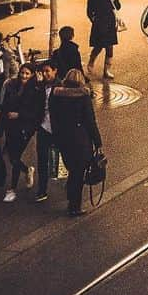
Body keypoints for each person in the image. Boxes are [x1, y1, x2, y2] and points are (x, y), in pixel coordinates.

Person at [49, 69, 102, 217]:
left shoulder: (56, 94)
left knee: (72, 169)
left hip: (63, 137)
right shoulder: (83, 96)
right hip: (81, 139)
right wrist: (97, 141)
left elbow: (53, 116)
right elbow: (90, 121)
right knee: (78, 172)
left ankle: (71, 199)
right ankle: (74, 205)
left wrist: (56, 136)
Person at [0, 62, 38, 201]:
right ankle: (27, 170)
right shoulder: (11, 86)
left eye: (27, 73)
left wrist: (19, 115)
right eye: (22, 72)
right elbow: (4, 110)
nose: (24, 76)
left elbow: (36, 114)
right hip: (10, 127)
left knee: (14, 157)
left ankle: (12, 189)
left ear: (32, 75)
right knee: (12, 156)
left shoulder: (35, 90)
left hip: (24, 129)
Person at [31, 62, 58, 202]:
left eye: (48, 71)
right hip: (43, 127)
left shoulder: (61, 87)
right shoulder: (40, 87)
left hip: (58, 130)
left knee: (64, 158)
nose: (46, 74)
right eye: (43, 72)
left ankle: (71, 184)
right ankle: (42, 189)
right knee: (42, 160)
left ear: (55, 71)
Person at [87, 0, 122, 80]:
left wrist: (113, 0)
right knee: (98, 46)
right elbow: (89, 10)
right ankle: (91, 61)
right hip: (98, 24)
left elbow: (118, 6)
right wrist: (94, 20)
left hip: (110, 23)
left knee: (109, 48)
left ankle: (107, 70)